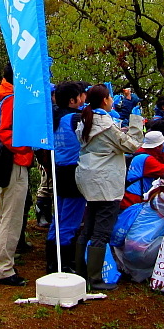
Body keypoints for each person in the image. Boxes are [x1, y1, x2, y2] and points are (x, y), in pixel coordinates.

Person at [74, 84, 143, 290]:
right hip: (106, 182)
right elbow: (132, 145)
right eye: (111, 97)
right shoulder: (105, 123)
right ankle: (94, 279)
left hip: (89, 177)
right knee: (101, 232)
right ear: (105, 100)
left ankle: (80, 273)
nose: (113, 100)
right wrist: (136, 121)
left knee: (88, 227)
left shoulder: (85, 120)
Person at [0, 63, 33, 286]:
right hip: (15, 162)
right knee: (12, 217)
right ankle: (4, 269)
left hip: (8, 163)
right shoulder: (12, 99)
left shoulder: (5, 97)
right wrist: (25, 148)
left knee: (3, 215)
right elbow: (5, 133)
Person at [44, 81, 87, 274]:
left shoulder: (53, 117)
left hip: (58, 171)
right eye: (80, 95)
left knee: (58, 218)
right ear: (72, 100)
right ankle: (65, 265)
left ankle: (52, 263)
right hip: (73, 173)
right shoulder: (76, 118)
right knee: (70, 221)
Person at [121, 131, 164, 208]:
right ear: (157, 147)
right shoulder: (148, 159)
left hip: (126, 193)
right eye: (163, 143)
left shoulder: (139, 152)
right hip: (133, 198)